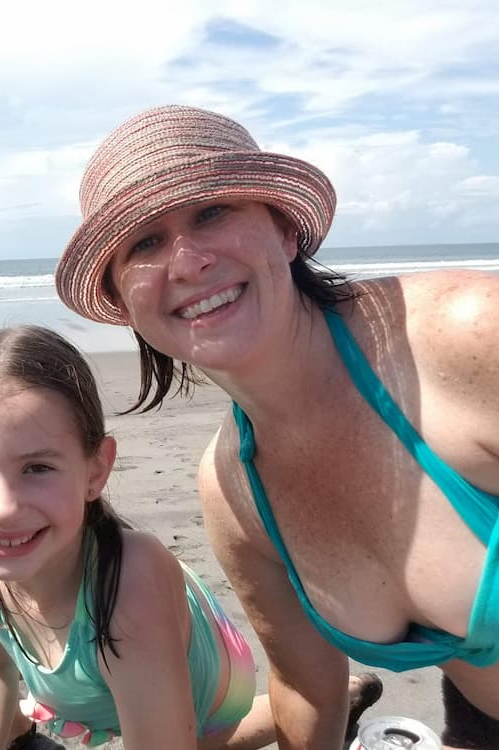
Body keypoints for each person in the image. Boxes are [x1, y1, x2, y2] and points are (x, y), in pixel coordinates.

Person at [53, 104, 499, 749]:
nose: (186, 263)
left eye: (212, 212)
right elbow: (305, 687)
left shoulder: (463, 340)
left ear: (285, 232)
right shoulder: (234, 489)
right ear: (124, 300)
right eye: (144, 242)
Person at [0, 325, 380, 749]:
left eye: (37, 468)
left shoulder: (129, 587)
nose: (3, 509)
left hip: (198, 675)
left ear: (96, 469)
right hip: (82, 661)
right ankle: (34, 727)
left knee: (191, 736)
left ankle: (342, 695)